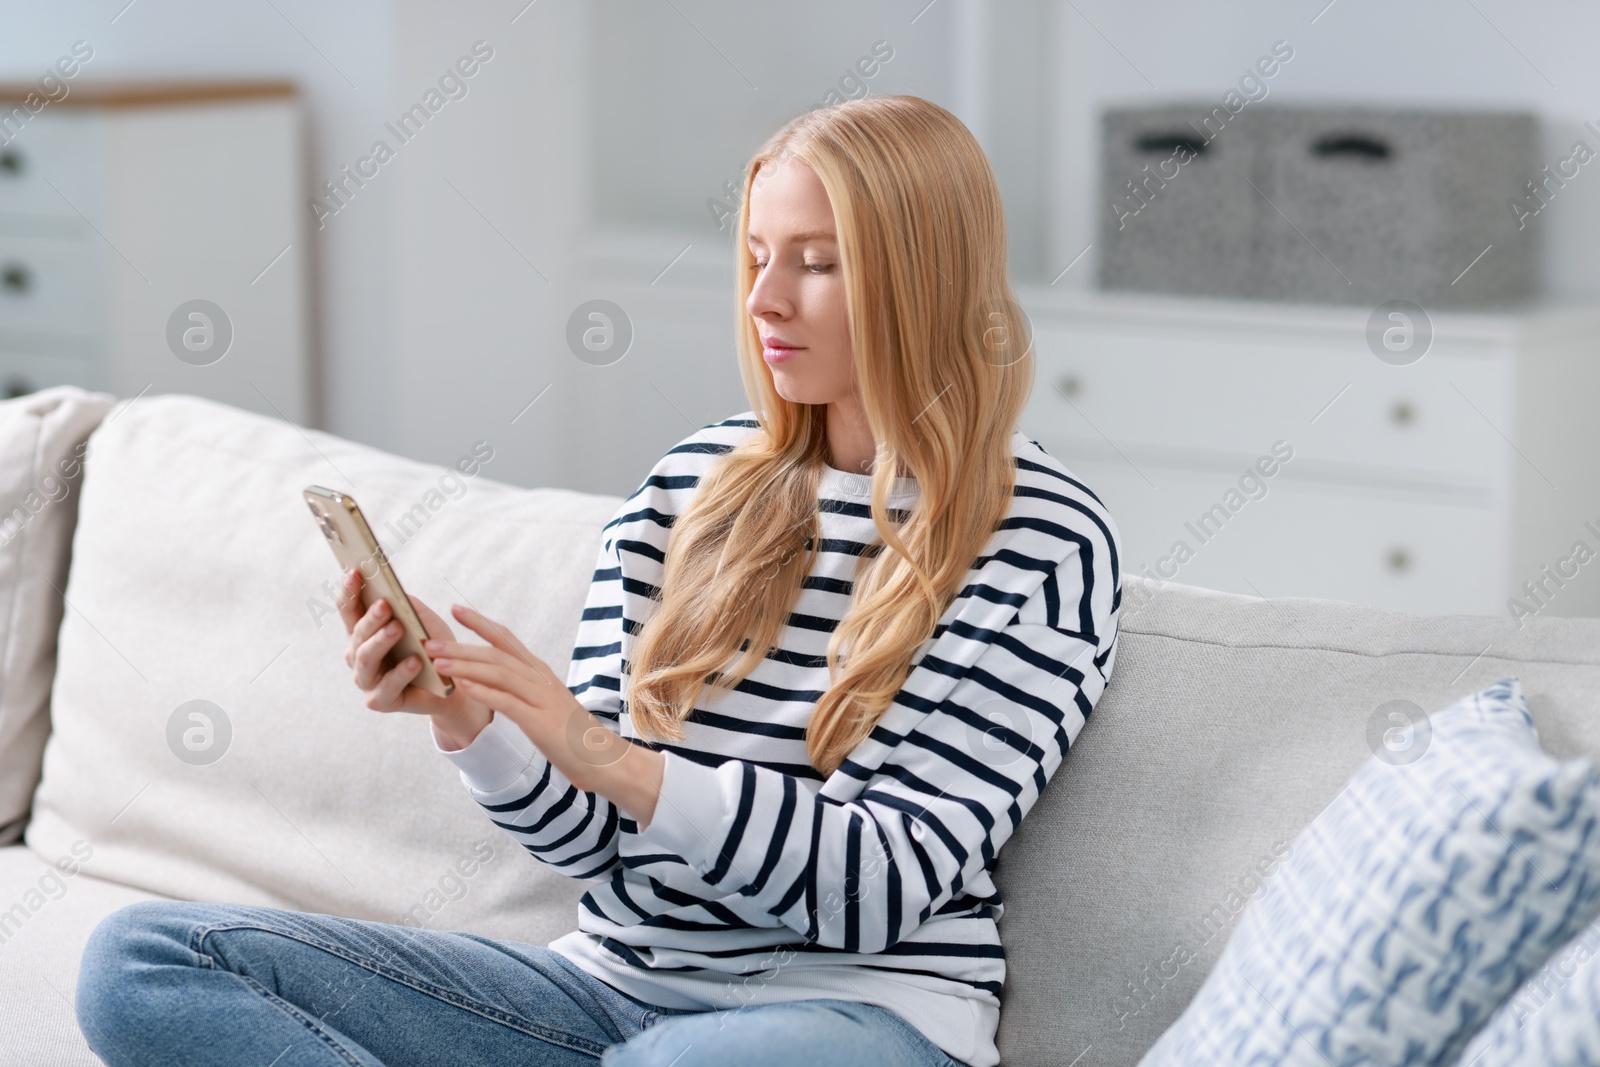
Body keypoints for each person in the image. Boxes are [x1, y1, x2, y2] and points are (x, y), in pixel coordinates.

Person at [75, 94, 1121, 1067]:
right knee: (143, 961)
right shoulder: (688, 489)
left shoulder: (1039, 537)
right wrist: (472, 725)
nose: (762, 298)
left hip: (855, 1010)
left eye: (816, 262)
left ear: (922, 277)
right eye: (755, 255)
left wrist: (611, 756)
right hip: (606, 994)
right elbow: (596, 844)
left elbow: (875, 889)